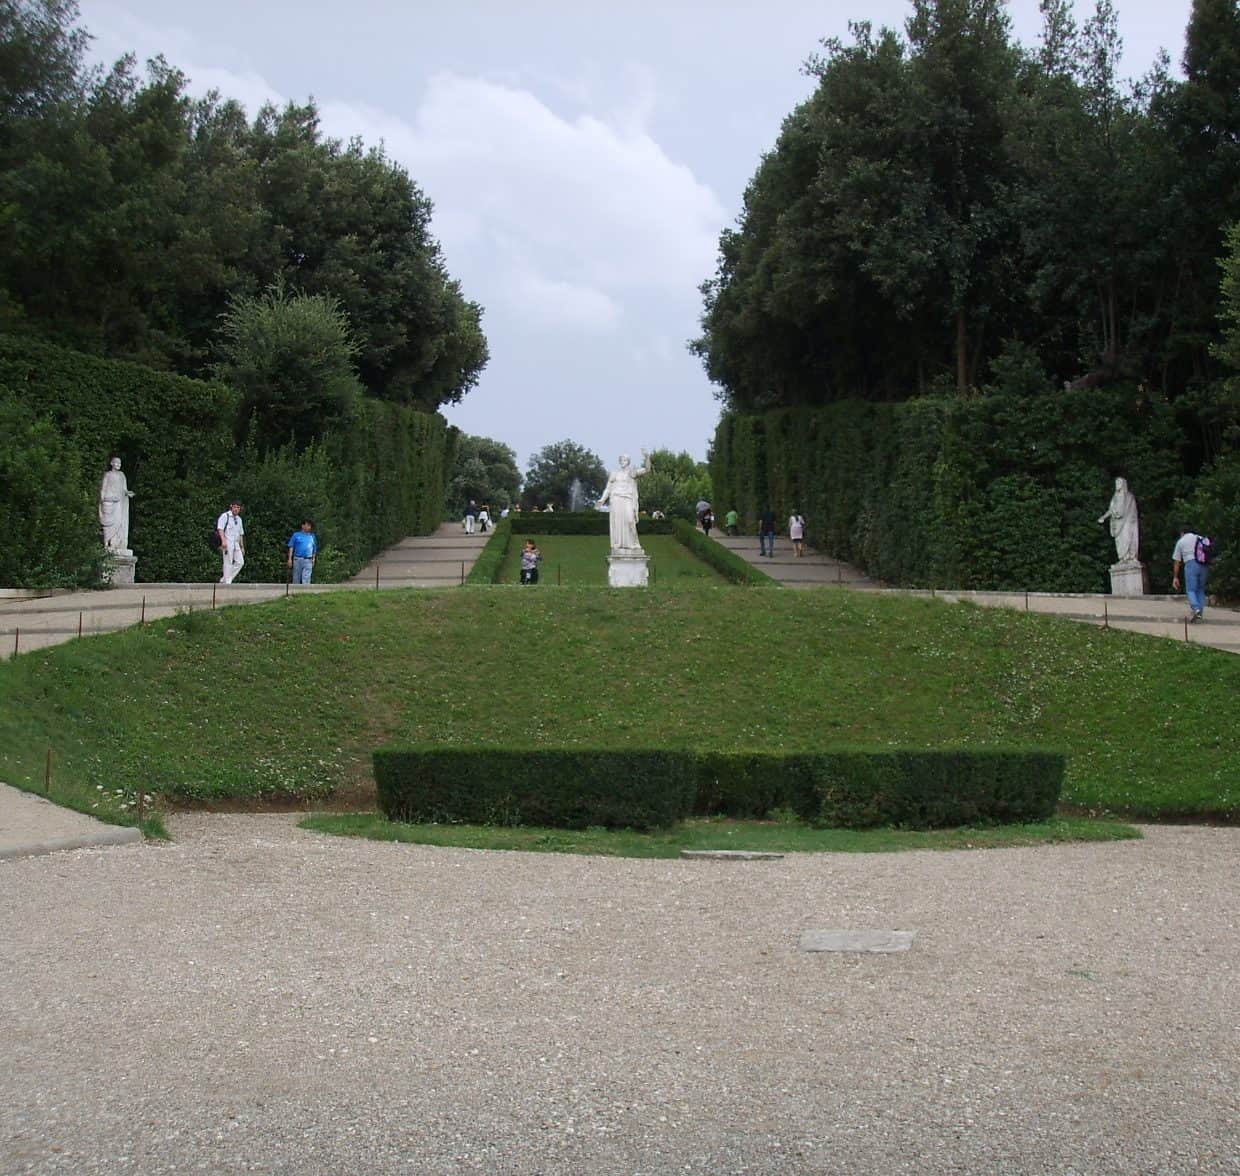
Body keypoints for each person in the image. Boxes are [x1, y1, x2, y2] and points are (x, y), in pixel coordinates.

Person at [597, 451, 650, 551]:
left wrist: (647, 458)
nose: (622, 461)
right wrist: (602, 499)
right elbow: (608, 488)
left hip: (627, 499)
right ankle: (618, 544)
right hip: (616, 499)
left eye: (625, 460)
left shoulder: (632, 472)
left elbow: (647, 469)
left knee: (630, 520)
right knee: (617, 523)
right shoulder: (614, 473)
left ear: (628, 462)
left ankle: (633, 543)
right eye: (621, 460)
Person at [1098, 477, 1140, 564]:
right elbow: (1111, 510)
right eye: (1116, 483)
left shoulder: (1129, 497)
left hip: (1127, 522)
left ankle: (1131, 557)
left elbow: (1133, 511)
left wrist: (1130, 520)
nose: (1117, 485)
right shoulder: (1114, 498)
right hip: (1117, 523)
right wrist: (1103, 517)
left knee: (1128, 537)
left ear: (1123, 485)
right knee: (1120, 541)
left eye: (1119, 483)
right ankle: (1123, 558)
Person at [98, 457, 135, 554]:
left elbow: (124, 489)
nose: (118, 465)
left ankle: (117, 543)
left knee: (119, 522)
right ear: (111, 463)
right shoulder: (108, 475)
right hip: (110, 502)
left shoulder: (122, 475)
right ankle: (107, 543)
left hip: (119, 503)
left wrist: (127, 493)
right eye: (116, 463)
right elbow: (103, 488)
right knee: (109, 523)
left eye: (120, 463)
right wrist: (103, 500)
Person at [1172, 525, 1208, 623]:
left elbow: (1177, 561)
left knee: (1191, 589)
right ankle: (1200, 612)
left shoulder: (1181, 541)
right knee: (1200, 589)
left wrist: (1175, 577)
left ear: (1182, 532)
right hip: (1203, 565)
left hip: (1191, 564)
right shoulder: (1200, 538)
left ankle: (1195, 609)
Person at [216, 501, 245, 584]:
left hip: (236, 543)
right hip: (227, 541)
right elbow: (220, 529)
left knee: (240, 562)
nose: (236, 509)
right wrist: (223, 541)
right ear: (231, 507)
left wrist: (242, 546)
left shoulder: (239, 519)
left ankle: (224, 579)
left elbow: (241, 534)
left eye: (238, 508)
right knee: (228, 562)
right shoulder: (225, 516)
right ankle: (227, 582)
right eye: (235, 507)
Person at [286, 519, 318, 584]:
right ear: (302, 526)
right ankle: (295, 592)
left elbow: (314, 548)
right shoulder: (296, 535)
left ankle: (305, 592)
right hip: (297, 559)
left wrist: (313, 559)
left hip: (308, 560)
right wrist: (289, 559)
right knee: (296, 578)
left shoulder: (312, 536)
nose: (309, 527)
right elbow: (291, 547)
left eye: (310, 526)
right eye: (307, 525)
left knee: (306, 578)